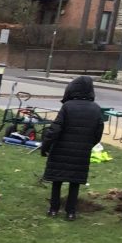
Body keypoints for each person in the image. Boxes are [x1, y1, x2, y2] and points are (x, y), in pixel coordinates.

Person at [39, 76, 105, 221]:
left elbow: (55, 129)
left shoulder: (68, 106)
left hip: (61, 149)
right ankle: (70, 212)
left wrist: (45, 146)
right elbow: (98, 133)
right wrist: (87, 144)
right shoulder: (96, 109)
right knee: (74, 182)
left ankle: (54, 209)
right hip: (81, 151)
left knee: (57, 180)